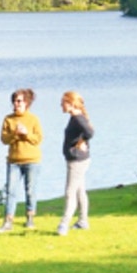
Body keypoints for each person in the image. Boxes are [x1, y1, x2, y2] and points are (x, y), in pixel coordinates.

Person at [0, 89, 43, 232]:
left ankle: (30, 218)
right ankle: (8, 221)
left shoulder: (33, 119)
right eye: (14, 101)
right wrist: (15, 134)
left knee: (30, 190)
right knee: (11, 191)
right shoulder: (8, 119)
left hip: (32, 161)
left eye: (19, 101)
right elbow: (4, 139)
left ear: (27, 103)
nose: (16, 104)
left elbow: (38, 139)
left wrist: (26, 134)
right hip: (14, 161)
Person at [56, 90, 94, 236]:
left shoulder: (78, 117)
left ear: (71, 103)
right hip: (76, 159)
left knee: (70, 192)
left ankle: (63, 225)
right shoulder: (75, 117)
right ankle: (83, 221)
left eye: (63, 103)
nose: (61, 105)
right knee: (79, 191)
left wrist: (82, 141)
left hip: (78, 161)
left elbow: (90, 133)